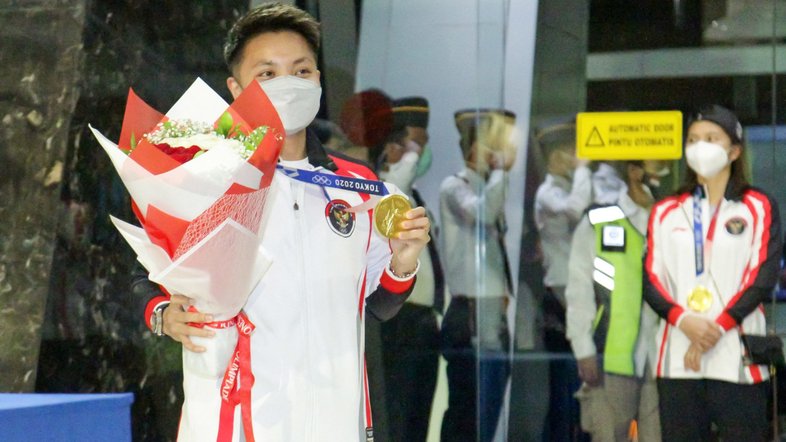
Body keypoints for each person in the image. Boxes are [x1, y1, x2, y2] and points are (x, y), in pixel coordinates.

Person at [137, 4, 431, 441]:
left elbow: (378, 304)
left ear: (317, 80)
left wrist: (403, 260)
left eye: (301, 71)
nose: (288, 85)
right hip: (234, 418)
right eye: (268, 75)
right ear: (236, 89)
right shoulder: (201, 177)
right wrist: (162, 314)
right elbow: (143, 277)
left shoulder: (358, 186)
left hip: (336, 418)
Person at [644, 104, 781, 441]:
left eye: (710, 138)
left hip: (738, 356)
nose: (699, 146)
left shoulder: (757, 205)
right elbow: (651, 278)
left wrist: (716, 328)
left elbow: (762, 276)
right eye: (692, 139)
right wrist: (684, 321)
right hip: (677, 356)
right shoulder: (665, 210)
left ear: (734, 150)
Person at [565, 161, 660, 441]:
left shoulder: (671, 221)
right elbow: (579, 288)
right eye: (659, 165)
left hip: (661, 359)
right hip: (609, 355)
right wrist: (583, 348)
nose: (662, 175)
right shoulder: (599, 221)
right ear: (634, 171)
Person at [439, 108, 516, 442]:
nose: (499, 153)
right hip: (469, 313)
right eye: (492, 145)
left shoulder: (486, 188)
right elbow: (483, 214)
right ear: (473, 148)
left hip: (490, 314)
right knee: (466, 410)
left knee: (489, 410)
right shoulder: (454, 187)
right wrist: (500, 172)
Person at [377, 97, 445, 442]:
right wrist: (409, 154)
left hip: (422, 320)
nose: (424, 151)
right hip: (399, 321)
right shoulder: (385, 190)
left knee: (421, 412)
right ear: (392, 148)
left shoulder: (414, 192)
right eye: (418, 141)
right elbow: (396, 183)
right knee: (400, 412)